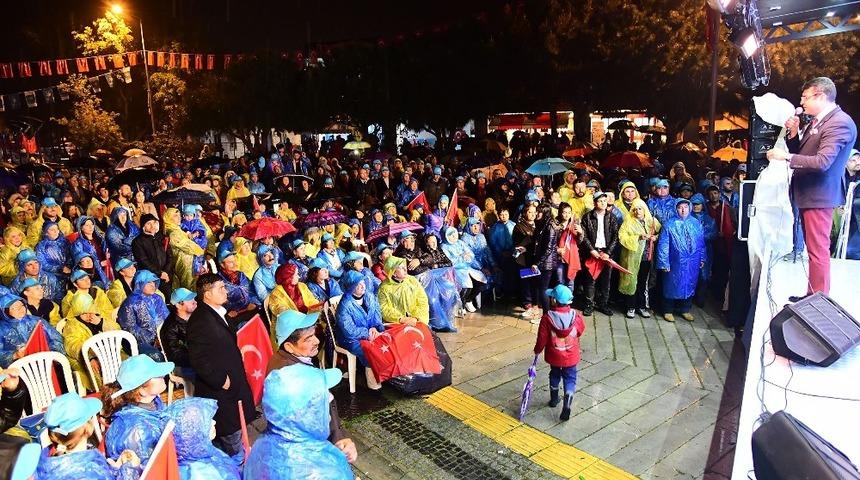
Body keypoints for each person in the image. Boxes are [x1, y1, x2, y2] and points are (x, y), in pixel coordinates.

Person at [767, 76, 858, 299]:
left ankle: (818, 299)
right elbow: (802, 150)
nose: (802, 102)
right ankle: (812, 294)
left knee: (818, 251)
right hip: (808, 194)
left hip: (820, 195)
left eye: (805, 97)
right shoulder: (818, 121)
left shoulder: (839, 123)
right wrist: (793, 133)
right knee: (812, 250)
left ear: (820, 95)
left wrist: (785, 156)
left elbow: (822, 162)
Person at [267, 310, 358, 459]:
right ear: (289, 346)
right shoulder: (290, 376)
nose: (316, 341)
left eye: (314, 334)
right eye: (308, 339)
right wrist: (337, 441)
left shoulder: (287, 358)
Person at [245, 364, 354, 479]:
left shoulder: (262, 444)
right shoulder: (328, 472)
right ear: (306, 414)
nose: (329, 400)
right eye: (322, 398)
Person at [187, 273, 254, 458]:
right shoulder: (200, 321)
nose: (226, 291)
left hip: (233, 381)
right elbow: (197, 358)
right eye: (221, 288)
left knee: (239, 431)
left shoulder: (218, 313)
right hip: (221, 390)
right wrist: (220, 380)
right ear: (207, 294)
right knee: (232, 440)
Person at [37, 393, 140, 480]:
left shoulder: (46, 459)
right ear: (86, 428)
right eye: (90, 417)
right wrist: (130, 470)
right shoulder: (87, 472)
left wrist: (115, 468)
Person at [101, 355, 173, 468]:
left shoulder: (154, 402)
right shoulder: (135, 430)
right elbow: (147, 469)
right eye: (157, 375)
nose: (163, 375)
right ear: (141, 391)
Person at [533, 285, 585, 421]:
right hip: (571, 356)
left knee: (554, 374)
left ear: (554, 301)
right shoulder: (576, 316)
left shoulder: (547, 318)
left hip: (555, 355)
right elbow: (580, 330)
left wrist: (537, 350)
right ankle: (568, 398)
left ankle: (554, 399)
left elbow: (542, 338)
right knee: (570, 378)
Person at [166, 398, 242, 480]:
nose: (214, 422)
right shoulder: (200, 474)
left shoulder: (201, 451)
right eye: (206, 421)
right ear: (193, 434)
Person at [656, 199, 705, 322]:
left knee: (689, 283)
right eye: (680, 207)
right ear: (675, 209)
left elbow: (701, 242)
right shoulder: (669, 224)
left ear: (689, 208)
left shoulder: (696, 223)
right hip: (675, 261)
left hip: (692, 261)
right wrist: (664, 262)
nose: (683, 210)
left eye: (685, 207)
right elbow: (663, 245)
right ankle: (668, 310)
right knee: (671, 284)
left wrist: (702, 257)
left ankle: (685, 309)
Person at [335, 271, 385, 390]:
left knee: (388, 341)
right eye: (358, 285)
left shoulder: (370, 296)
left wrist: (377, 329)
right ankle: (372, 381)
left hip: (371, 332)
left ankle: (385, 373)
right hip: (350, 339)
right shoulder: (344, 305)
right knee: (370, 350)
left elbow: (377, 316)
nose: (363, 286)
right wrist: (367, 333)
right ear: (351, 288)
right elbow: (349, 331)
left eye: (363, 282)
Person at [62, 292, 122, 392]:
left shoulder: (98, 317)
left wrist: (100, 323)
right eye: (84, 313)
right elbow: (72, 345)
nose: (89, 315)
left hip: (107, 353)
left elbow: (118, 331)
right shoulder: (72, 325)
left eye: (90, 310)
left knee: (125, 362)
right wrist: (90, 357)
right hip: (84, 357)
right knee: (97, 370)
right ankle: (106, 396)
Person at [617, 199, 661, 319]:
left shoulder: (651, 221)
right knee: (632, 281)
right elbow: (622, 236)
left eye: (640, 209)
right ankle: (630, 306)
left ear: (644, 209)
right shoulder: (628, 221)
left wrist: (655, 237)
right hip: (631, 257)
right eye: (635, 209)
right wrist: (638, 237)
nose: (637, 211)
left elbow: (661, 232)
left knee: (643, 282)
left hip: (646, 257)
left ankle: (641, 306)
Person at [579, 191, 620, 316]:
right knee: (590, 280)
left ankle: (603, 304)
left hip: (606, 253)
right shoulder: (587, 217)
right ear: (595, 202)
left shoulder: (612, 217)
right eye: (600, 201)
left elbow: (615, 237)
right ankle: (589, 304)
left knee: (605, 281)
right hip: (592, 252)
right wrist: (591, 250)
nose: (602, 203)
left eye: (604, 200)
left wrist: (608, 252)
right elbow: (584, 236)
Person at [0, 293, 65, 367]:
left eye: (22, 305)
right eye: (15, 307)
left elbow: (56, 338)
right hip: (19, 368)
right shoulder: (2, 329)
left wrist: (53, 352)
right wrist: (14, 355)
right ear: (5, 311)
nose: (21, 309)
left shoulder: (36, 320)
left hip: (46, 361)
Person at [117, 270, 169, 359]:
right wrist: (153, 339)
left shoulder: (157, 299)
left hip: (161, 338)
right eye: (148, 283)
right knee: (156, 356)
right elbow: (130, 328)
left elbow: (167, 319)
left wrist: (162, 337)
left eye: (154, 282)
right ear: (140, 283)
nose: (153, 285)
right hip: (138, 342)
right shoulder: (130, 303)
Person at [441, 227, 487, 313]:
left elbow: (470, 254)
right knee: (466, 286)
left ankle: (468, 300)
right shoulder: (444, 246)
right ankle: (461, 305)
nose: (454, 236)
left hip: (467, 267)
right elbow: (450, 261)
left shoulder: (460, 243)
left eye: (454, 234)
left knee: (482, 281)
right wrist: (462, 257)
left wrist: (468, 257)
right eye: (450, 235)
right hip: (456, 270)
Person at [161, 288, 198, 388]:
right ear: (178, 305)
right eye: (190, 300)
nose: (194, 302)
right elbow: (176, 355)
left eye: (193, 298)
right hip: (183, 366)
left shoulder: (197, 317)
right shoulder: (170, 327)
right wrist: (200, 357)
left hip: (199, 358)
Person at [377, 256, 430, 325]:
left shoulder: (412, 281)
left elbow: (422, 301)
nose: (405, 269)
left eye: (404, 266)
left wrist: (416, 318)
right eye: (401, 268)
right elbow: (384, 308)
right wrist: (401, 319)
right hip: (397, 324)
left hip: (417, 321)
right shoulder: (384, 288)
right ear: (393, 272)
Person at [166, 208, 207, 291]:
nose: (179, 217)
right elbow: (187, 245)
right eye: (175, 216)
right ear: (169, 218)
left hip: (190, 262)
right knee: (187, 288)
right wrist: (201, 251)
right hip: (185, 263)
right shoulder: (173, 232)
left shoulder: (178, 229)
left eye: (179, 215)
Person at [131, 213, 172, 298]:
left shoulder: (163, 237)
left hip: (166, 276)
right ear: (143, 227)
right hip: (150, 278)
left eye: (154, 222)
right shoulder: (137, 241)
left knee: (168, 299)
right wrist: (159, 273)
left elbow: (170, 256)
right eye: (148, 223)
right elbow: (143, 261)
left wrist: (166, 272)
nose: (152, 226)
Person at [217, 250, 261, 323]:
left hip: (249, 309)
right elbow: (219, 302)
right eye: (231, 262)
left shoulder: (241, 275)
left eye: (235, 261)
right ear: (222, 265)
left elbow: (251, 290)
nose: (235, 264)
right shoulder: (218, 281)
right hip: (234, 316)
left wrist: (253, 302)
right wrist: (229, 312)